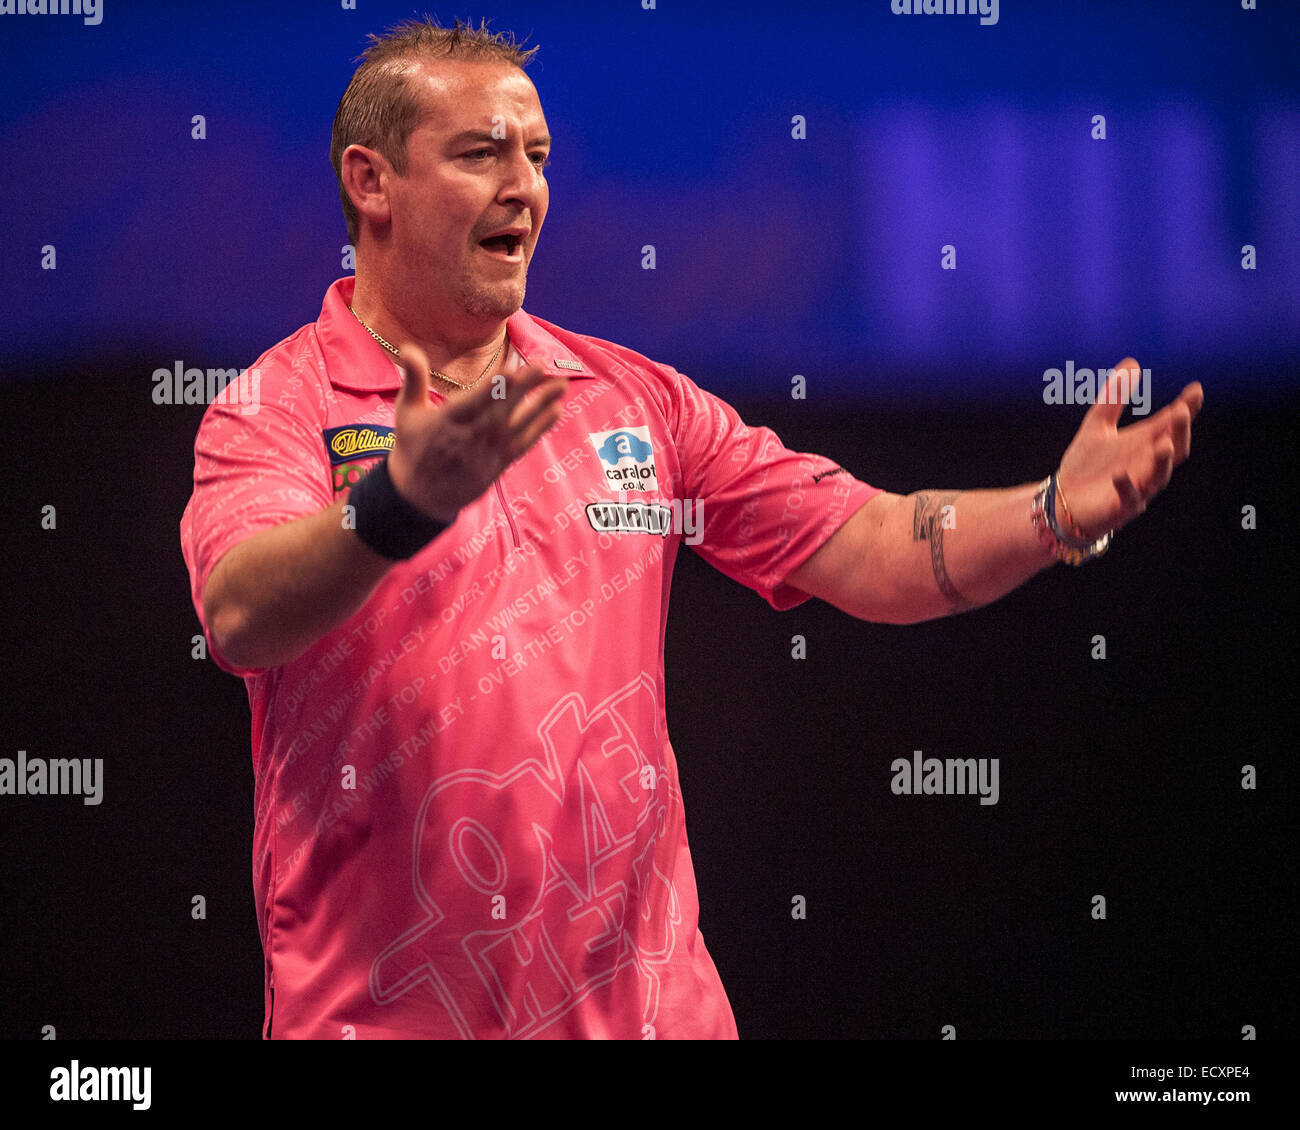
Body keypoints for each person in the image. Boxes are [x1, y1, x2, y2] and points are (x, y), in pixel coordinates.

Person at [180, 17, 1202, 1040]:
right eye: (479, 153)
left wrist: (1051, 514)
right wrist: (398, 503)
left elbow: (874, 543)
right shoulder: (274, 406)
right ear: (371, 181)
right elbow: (239, 612)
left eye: (535, 157)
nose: (522, 187)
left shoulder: (630, 401)